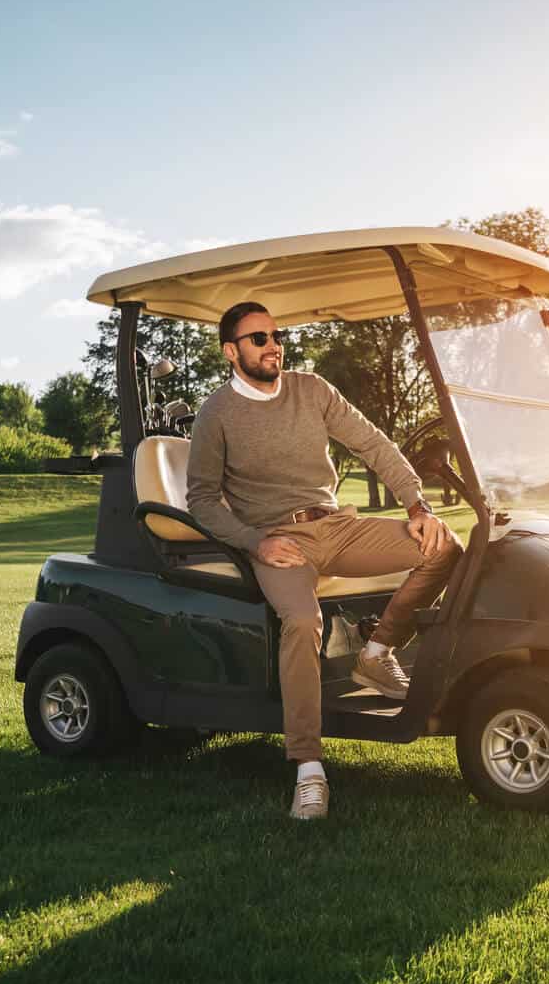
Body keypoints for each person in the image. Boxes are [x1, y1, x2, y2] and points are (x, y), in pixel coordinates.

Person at [186, 301, 461, 822]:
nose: (273, 346)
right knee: (302, 620)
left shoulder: (311, 390)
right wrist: (253, 541)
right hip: (279, 539)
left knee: (444, 547)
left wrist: (417, 505)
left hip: (337, 524)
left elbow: (374, 444)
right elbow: (200, 499)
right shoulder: (215, 414)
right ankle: (308, 769)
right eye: (258, 338)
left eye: (276, 334)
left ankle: (376, 653)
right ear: (231, 351)